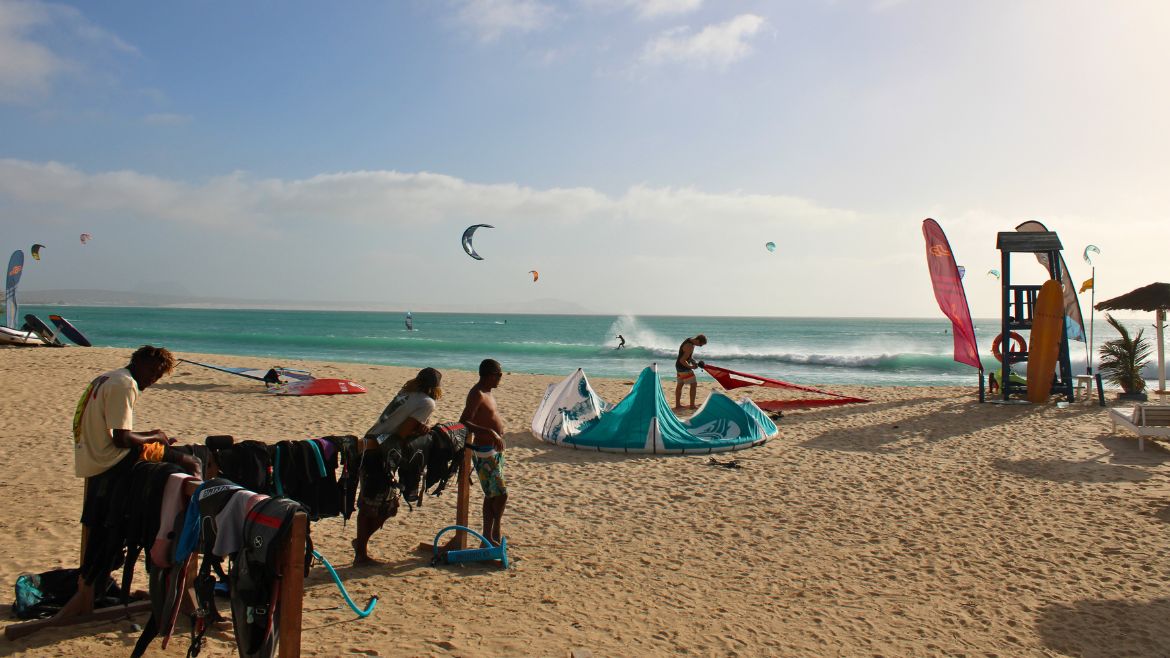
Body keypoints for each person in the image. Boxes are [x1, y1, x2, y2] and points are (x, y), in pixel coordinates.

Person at [65, 345, 200, 617]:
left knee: (173, 453)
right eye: (151, 371)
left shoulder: (108, 377)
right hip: (109, 458)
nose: (153, 379)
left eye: (159, 375)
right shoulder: (124, 384)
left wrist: (153, 437)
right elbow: (121, 439)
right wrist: (156, 435)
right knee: (192, 462)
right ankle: (191, 521)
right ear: (137, 362)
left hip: (90, 456)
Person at [353, 367, 442, 565]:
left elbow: (398, 422)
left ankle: (360, 548)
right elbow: (402, 433)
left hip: (370, 442)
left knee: (369, 504)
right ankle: (360, 549)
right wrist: (420, 433)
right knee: (387, 507)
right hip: (382, 451)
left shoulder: (405, 393)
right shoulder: (427, 402)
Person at [459, 359, 507, 547]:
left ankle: (487, 536)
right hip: (484, 451)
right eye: (499, 375)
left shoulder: (488, 392)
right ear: (489, 375)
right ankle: (494, 530)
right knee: (501, 494)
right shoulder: (476, 394)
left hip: (494, 450)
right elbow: (464, 421)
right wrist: (490, 432)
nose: (501, 378)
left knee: (491, 494)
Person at [675, 333, 708, 411]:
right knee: (694, 384)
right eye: (700, 345)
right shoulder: (690, 346)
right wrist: (691, 367)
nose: (700, 346)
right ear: (698, 340)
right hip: (683, 368)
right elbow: (682, 360)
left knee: (680, 385)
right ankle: (692, 405)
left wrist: (693, 361)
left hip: (678, 366)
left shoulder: (689, 340)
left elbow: (687, 356)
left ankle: (678, 405)